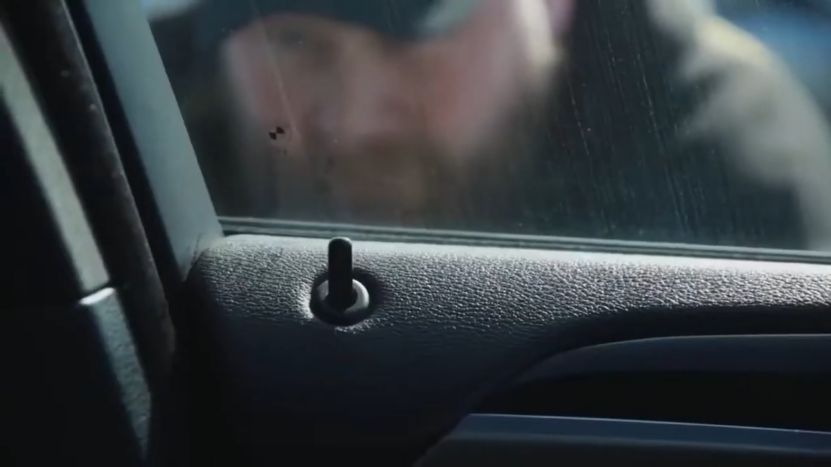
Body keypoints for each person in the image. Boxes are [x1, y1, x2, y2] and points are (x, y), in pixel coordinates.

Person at [159, 0, 831, 249]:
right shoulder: (121, 132)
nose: (359, 120)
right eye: (295, 42)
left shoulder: (731, 179)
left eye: (414, 41)